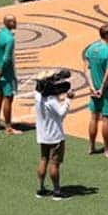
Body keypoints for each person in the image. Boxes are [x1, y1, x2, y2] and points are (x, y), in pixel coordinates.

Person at [34, 70, 75, 200]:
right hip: (55, 136)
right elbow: (61, 113)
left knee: (43, 159)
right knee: (54, 163)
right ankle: (57, 191)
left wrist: (60, 96)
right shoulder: (51, 100)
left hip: (42, 135)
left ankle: (40, 188)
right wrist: (68, 99)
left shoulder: (37, 96)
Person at [84, 24, 108, 157]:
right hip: (106, 91)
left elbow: (86, 68)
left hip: (93, 89)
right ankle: (107, 150)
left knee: (93, 117)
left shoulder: (91, 49)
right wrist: (102, 88)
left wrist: (91, 86)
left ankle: (91, 147)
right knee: (106, 119)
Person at [0, 15, 20, 134]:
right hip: (6, 73)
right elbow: (7, 58)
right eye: (14, 21)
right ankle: (8, 127)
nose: (16, 23)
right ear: (9, 23)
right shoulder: (10, 39)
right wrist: (0, 72)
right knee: (8, 98)